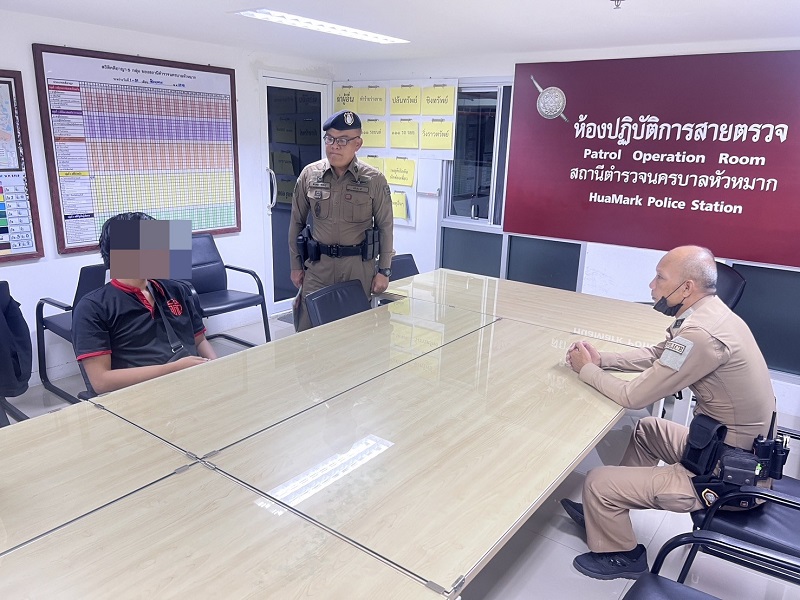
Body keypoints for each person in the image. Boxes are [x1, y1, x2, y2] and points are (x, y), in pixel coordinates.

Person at [561, 245, 774, 580]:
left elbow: (633, 396)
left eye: (660, 278)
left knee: (597, 481)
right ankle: (609, 509)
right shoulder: (710, 315)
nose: (651, 285)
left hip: (728, 478)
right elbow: (660, 355)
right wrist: (602, 360)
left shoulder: (702, 336)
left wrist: (586, 370)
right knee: (648, 429)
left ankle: (622, 554)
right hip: (723, 451)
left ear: (686, 287)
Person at [72, 212, 216, 395]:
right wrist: (172, 369)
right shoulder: (93, 308)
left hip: (189, 385)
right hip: (138, 395)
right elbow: (101, 381)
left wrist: (216, 368)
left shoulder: (177, 290)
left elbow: (199, 340)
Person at [288, 109, 394, 332]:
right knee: (307, 332)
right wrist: (296, 265)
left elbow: (385, 227)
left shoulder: (374, 180)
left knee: (354, 334)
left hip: (357, 269)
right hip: (318, 268)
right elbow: (296, 223)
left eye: (343, 140)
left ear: (358, 144)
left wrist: (384, 271)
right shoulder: (309, 175)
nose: (334, 146)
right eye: (330, 139)